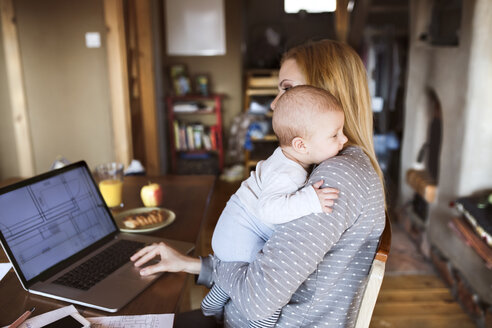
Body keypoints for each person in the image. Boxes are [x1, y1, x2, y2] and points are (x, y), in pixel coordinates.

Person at [130, 39, 386, 328]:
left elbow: (257, 300)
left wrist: (218, 269)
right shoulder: (332, 168)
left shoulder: (338, 178)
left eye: (288, 89)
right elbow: (260, 265)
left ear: (324, 95)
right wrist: (191, 264)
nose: (276, 104)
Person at [201, 85, 348, 328]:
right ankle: (218, 303)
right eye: (335, 135)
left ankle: (213, 302)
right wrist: (311, 200)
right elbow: (268, 210)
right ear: (301, 145)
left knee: (245, 279)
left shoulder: (290, 157)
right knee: (267, 304)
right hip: (240, 235)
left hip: (234, 232)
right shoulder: (287, 173)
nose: (344, 139)